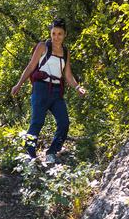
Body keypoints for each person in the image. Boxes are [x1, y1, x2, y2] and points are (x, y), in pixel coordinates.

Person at [11, 19, 86, 163]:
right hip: (41, 88)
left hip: (57, 91)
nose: (56, 37)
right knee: (37, 122)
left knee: (64, 123)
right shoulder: (42, 47)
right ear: (50, 33)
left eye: (60, 34)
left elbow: (68, 75)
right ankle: (29, 154)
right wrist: (19, 84)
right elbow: (31, 66)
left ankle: (52, 152)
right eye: (53, 33)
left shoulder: (65, 52)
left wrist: (77, 87)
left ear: (65, 35)